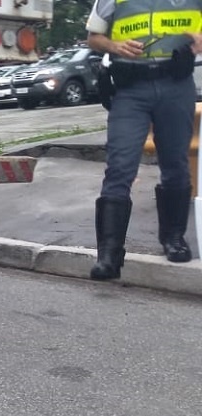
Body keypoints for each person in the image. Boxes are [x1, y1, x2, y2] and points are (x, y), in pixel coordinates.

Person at [85, 0, 202, 280]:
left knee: (175, 163)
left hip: (176, 83)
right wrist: (114, 46)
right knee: (120, 166)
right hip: (130, 89)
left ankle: (173, 239)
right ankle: (109, 255)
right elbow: (93, 38)